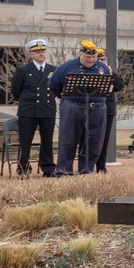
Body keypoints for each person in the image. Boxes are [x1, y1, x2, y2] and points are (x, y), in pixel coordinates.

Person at [49, 40, 114, 175]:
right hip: (73, 107)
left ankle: (86, 171)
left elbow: (110, 87)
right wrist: (67, 99)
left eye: (93, 57)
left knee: (93, 143)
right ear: (81, 55)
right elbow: (54, 85)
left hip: (97, 108)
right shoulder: (66, 67)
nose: (91, 60)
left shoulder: (103, 68)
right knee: (68, 141)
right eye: (87, 57)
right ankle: (64, 172)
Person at [9, 38, 57, 177]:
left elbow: (57, 88)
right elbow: (16, 91)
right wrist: (27, 101)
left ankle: (48, 168)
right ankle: (23, 168)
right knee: (25, 140)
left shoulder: (52, 70)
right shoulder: (23, 70)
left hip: (47, 109)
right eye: (37, 52)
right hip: (28, 110)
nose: (41, 54)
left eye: (43, 51)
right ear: (31, 54)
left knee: (47, 140)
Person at [93, 48, 124, 173]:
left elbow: (119, 86)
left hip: (107, 109)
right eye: (98, 59)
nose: (101, 62)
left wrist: (111, 73)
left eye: (103, 59)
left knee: (103, 139)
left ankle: (101, 166)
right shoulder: (90, 71)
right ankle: (87, 166)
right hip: (92, 109)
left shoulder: (108, 71)